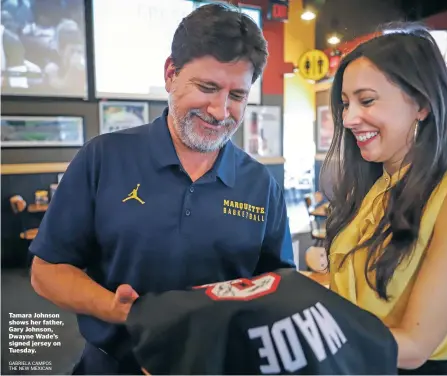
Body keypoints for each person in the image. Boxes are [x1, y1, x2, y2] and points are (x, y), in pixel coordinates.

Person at [29, 3, 294, 374]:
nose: (220, 111)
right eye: (207, 87)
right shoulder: (103, 158)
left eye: (237, 95)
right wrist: (119, 310)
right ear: (171, 74)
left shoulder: (261, 185)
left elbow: (278, 287)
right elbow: (47, 270)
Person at [321, 23, 447, 375]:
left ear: (421, 103)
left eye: (367, 100)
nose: (348, 119)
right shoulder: (373, 186)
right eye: (345, 104)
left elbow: (415, 346)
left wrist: (306, 337)